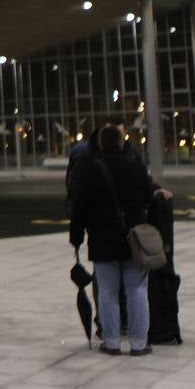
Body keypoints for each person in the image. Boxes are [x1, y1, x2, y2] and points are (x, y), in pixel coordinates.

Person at [69, 126, 155, 356]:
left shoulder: (89, 170)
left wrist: (76, 236)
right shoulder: (136, 167)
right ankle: (138, 343)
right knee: (137, 290)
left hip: (102, 240)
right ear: (121, 142)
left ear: (99, 144)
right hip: (133, 239)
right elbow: (148, 197)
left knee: (107, 292)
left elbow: (79, 207)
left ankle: (112, 341)